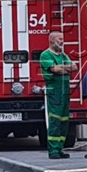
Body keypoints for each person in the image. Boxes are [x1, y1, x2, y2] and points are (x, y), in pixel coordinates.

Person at [37, 30, 74, 160]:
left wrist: (61, 68)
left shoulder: (63, 55)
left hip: (65, 91)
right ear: (52, 40)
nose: (62, 41)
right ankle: (53, 150)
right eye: (59, 39)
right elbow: (55, 70)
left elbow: (74, 67)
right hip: (54, 91)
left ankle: (60, 148)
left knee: (64, 120)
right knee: (54, 120)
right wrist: (63, 68)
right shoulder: (45, 55)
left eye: (62, 39)